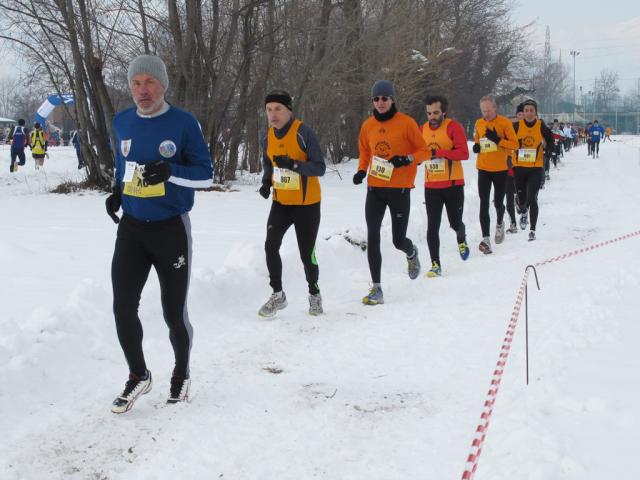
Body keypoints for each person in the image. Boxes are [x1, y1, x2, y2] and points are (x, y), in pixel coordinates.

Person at [105, 54, 213, 414]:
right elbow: (124, 166)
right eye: (136, 83)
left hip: (171, 229)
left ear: (163, 85)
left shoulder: (183, 123)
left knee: (173, 312)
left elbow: (206, 175)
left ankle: (181, 373)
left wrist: (170, 172)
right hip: (132, 229)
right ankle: (138, 373)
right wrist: (117, 193)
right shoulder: (121, 122)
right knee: (122, 306)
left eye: (149, 82)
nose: (142, 90)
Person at [354, 80, 429, 304]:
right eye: (376, 99)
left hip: (400, 189)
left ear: (392, 99)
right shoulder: (368, 125)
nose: (380, 102)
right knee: (373, 236)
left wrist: (407, 159)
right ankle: (376, 288)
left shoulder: (406, 123)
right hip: (375, 188)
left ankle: (411, 252)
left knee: (397, 240)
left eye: (384, 98)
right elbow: (365, 152)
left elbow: (424, 151)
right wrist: (360, 171)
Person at [257, 90, 326, 318]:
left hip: (307, 204)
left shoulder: (303, 133)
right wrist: (267, 183)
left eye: (278, 109)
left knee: (307, 254)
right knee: (270, 246)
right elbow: (269, 164)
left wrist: (295, 165)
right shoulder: (267, 137)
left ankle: (314, 293)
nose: (273, 114)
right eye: (269, 110)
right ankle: (278, 294)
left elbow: (319, 167)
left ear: (289, 110)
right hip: (281, 203)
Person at [420, 94, 470, 277]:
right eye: (428, 113)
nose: (432, 117)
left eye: (435, 113)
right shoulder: (422, 129)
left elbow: (464, 153)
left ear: (444, 112)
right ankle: (435, 264)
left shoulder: (453, 127)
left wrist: (438, 152)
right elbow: (419, 152)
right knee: (432, 226)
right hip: (431, 186)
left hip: (453, 184)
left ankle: (461, 236)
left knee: (454, 222)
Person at [472, 95, 518, 254]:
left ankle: (499, 223)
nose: (486, 114)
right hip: (483, 168)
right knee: (483, 202)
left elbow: (514, 145)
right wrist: (476, 147)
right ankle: (485, 239)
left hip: (500, 169)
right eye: (483, 111)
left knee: (498, 202)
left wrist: (498, 140)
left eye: (488, 110)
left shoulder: (504, 123)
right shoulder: (479, 123)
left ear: (495, 108)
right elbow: (477, 140)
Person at [511, 99, 554, 241]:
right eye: (526, 110)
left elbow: (551, 140)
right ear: (522, 113)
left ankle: (532, 230)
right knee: (522, 198)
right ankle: (523, 212)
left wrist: (548, 152)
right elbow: (507, 141)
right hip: (519, 168)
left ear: (536, 113)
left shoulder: (541, 125)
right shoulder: (516, 126)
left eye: (532, 110)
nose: (529, 113)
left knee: (532, 197)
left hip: (535, 168)